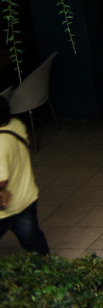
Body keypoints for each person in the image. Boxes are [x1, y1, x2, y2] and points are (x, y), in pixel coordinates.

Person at [0, 96, 48, 254]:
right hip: (26, 198)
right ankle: (47, 272)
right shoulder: (16, 125)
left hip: (5, 208)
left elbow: (2, 181)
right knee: (32, 240)